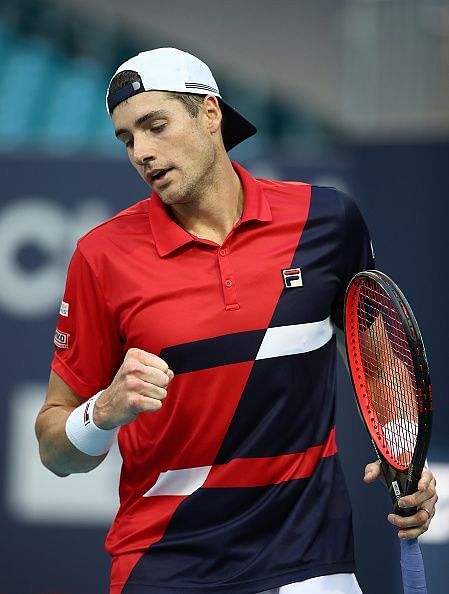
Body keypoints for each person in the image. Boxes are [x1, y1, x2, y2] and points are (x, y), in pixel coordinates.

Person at [35, 48, 437, 594]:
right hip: (164, 564)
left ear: (209, 113)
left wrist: (407, 460)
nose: (143, 154)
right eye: (128, 139)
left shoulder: (325, 222)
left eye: (156, 126)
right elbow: (55, 452)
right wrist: (102, 411)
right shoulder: (100, 257)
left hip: (310, 560)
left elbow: (378, 367)